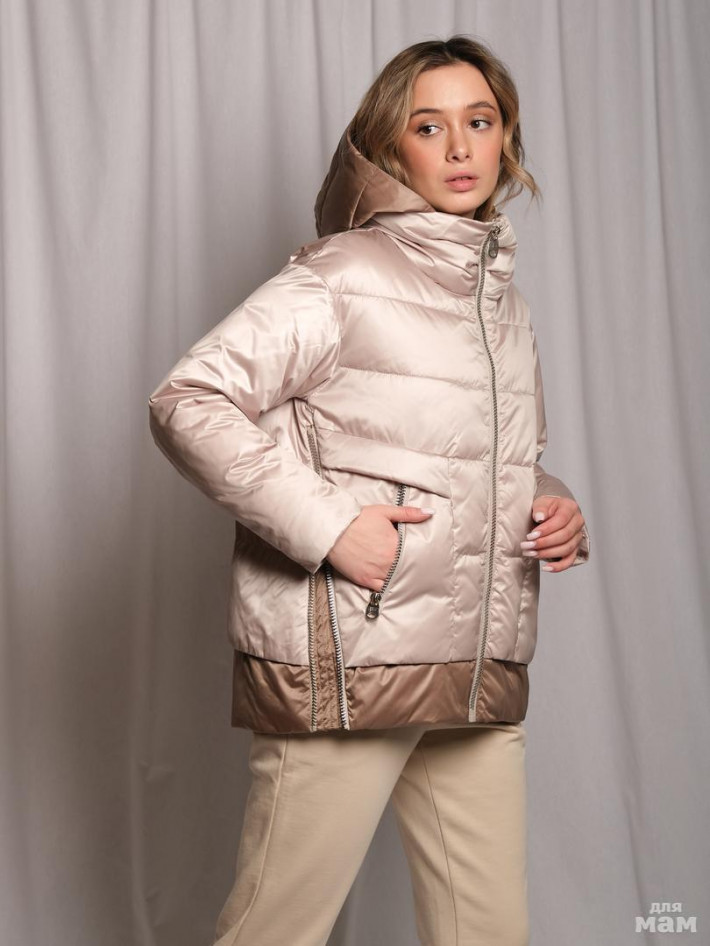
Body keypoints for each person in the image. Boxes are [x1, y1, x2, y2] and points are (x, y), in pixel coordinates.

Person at [148, 34, 590, 946]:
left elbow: (486, 458)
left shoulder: (502, 304)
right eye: (430, 126)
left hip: (475, 667)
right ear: (390, 148)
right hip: (357, 657)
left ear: (507, 139)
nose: (461, 146)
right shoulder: (342, 274)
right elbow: (188, 400)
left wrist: (549, 502)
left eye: (481, 121)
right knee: (276, 932)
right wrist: (331, 528)